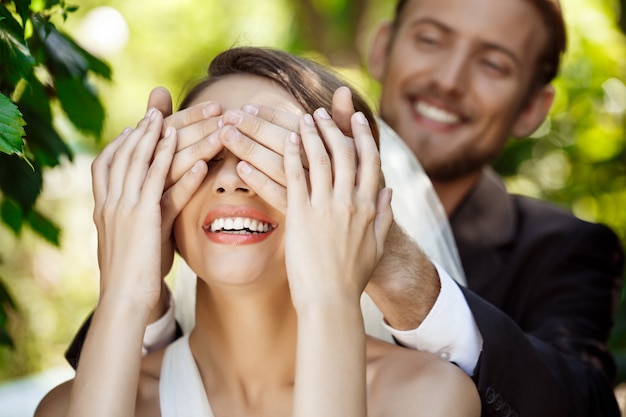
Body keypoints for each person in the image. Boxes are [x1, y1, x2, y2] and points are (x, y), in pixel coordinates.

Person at [65, 0, 625, 415]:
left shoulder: (561, 253)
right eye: (431, 39)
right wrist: (132, 290)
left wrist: (385, 270)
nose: (448, 80)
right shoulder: (105, 377)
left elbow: (584, 404)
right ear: (381, 48)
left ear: (534, 107)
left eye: (272, 158)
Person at [36, 47, 481, 417]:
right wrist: (124, 293)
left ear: (351, 197)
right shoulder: (70, 408)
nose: (233, 181)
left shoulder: (426, 398)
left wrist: (330, 296)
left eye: (273, 155)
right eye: (206, 158)